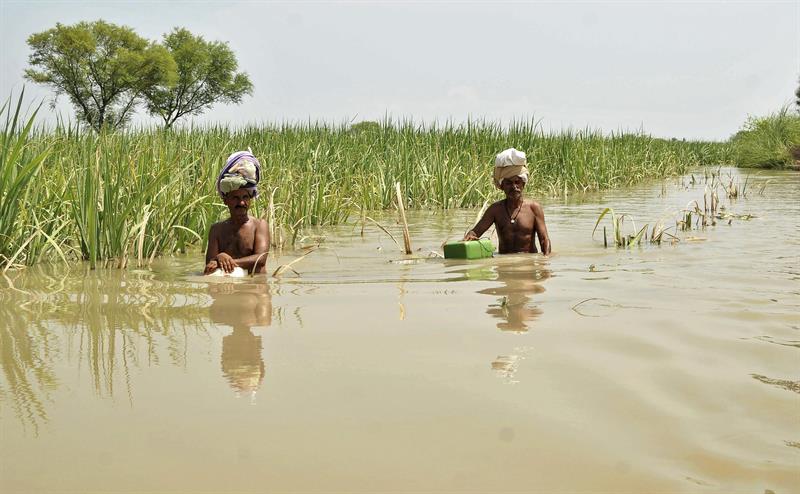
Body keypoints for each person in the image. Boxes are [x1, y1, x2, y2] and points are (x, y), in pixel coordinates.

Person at [464, 148, 551, 254]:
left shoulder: (534, 208)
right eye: (509, 183)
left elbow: (544, 239)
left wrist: (545, 264)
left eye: (517, 182)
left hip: (528, 264)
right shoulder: (495, 210)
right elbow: (475, 232)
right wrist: (469, 237)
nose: (514, 187)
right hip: (504, 263)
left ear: (523, 184)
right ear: (502, 186)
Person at [204, 150, 270, 275]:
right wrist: (219, 257)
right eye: (235, 198)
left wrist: (227, 260)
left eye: (245, 197)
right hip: (229, 286)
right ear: (226, 201)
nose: (241, 203)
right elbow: (209, 264)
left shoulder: (260, 225)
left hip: (255, 287)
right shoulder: (216, 230)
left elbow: (260, 260)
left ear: (250, 200)